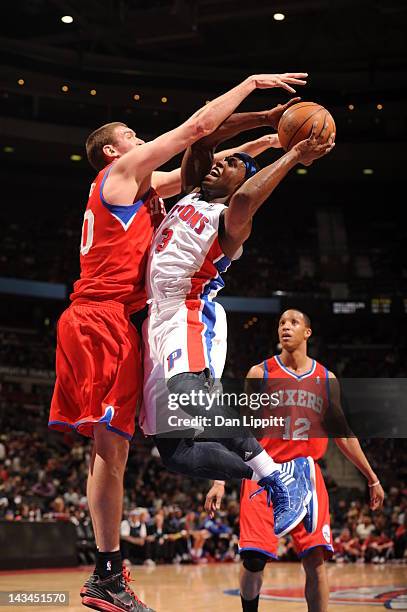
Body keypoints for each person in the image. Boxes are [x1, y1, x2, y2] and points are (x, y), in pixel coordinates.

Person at [48, 71, 309, 612]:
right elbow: (199, 135)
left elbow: (215, 160)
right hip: (112, 322)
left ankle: (273, 476)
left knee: (119, 447)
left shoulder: (190, 200)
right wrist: (255, 90)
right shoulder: (125, 174)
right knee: (159, 450)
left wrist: (267, 143)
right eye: (134, 137)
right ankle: (109, 572)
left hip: (157, 320)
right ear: (113, 151)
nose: (143, 141)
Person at [141, 113, 336, 542]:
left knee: (190, 396)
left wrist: (293, 155)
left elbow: (248, 197)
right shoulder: (194, 192)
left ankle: (277, 480)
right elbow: (203, 139)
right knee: (175, 454)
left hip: (188, 313)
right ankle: (274, 475)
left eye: (230, 165)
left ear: (240, 181)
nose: (219, 164)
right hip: (156, 320)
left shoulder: (231, 220)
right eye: (222, 161)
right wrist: (267, 128)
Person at [205, 309, 385, 612]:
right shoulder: (259, 374)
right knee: (253, 559)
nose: (285, 328)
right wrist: (219, 480)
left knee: (315, 559)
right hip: (263, 472)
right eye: (281, 324)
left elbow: (342, 433)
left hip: (306, 475)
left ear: (307, 333)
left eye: (293, 323)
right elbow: (241, 430)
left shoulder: (326, 379)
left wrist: (372, 477)